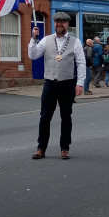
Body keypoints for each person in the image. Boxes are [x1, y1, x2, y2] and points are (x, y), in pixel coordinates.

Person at [27, 12, 86, 160]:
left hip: (67, 83)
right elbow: (33, 55)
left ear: (67, 24)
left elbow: (81, 63)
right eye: (57, 22)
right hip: (50, 83)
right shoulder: (46, 40)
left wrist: (80, 83)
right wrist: (33, 38)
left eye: (62, 22)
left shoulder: (75, 42)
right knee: (45, 117)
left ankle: (65, 148)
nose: (59, 24)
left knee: (66, 117)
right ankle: (41, 148)